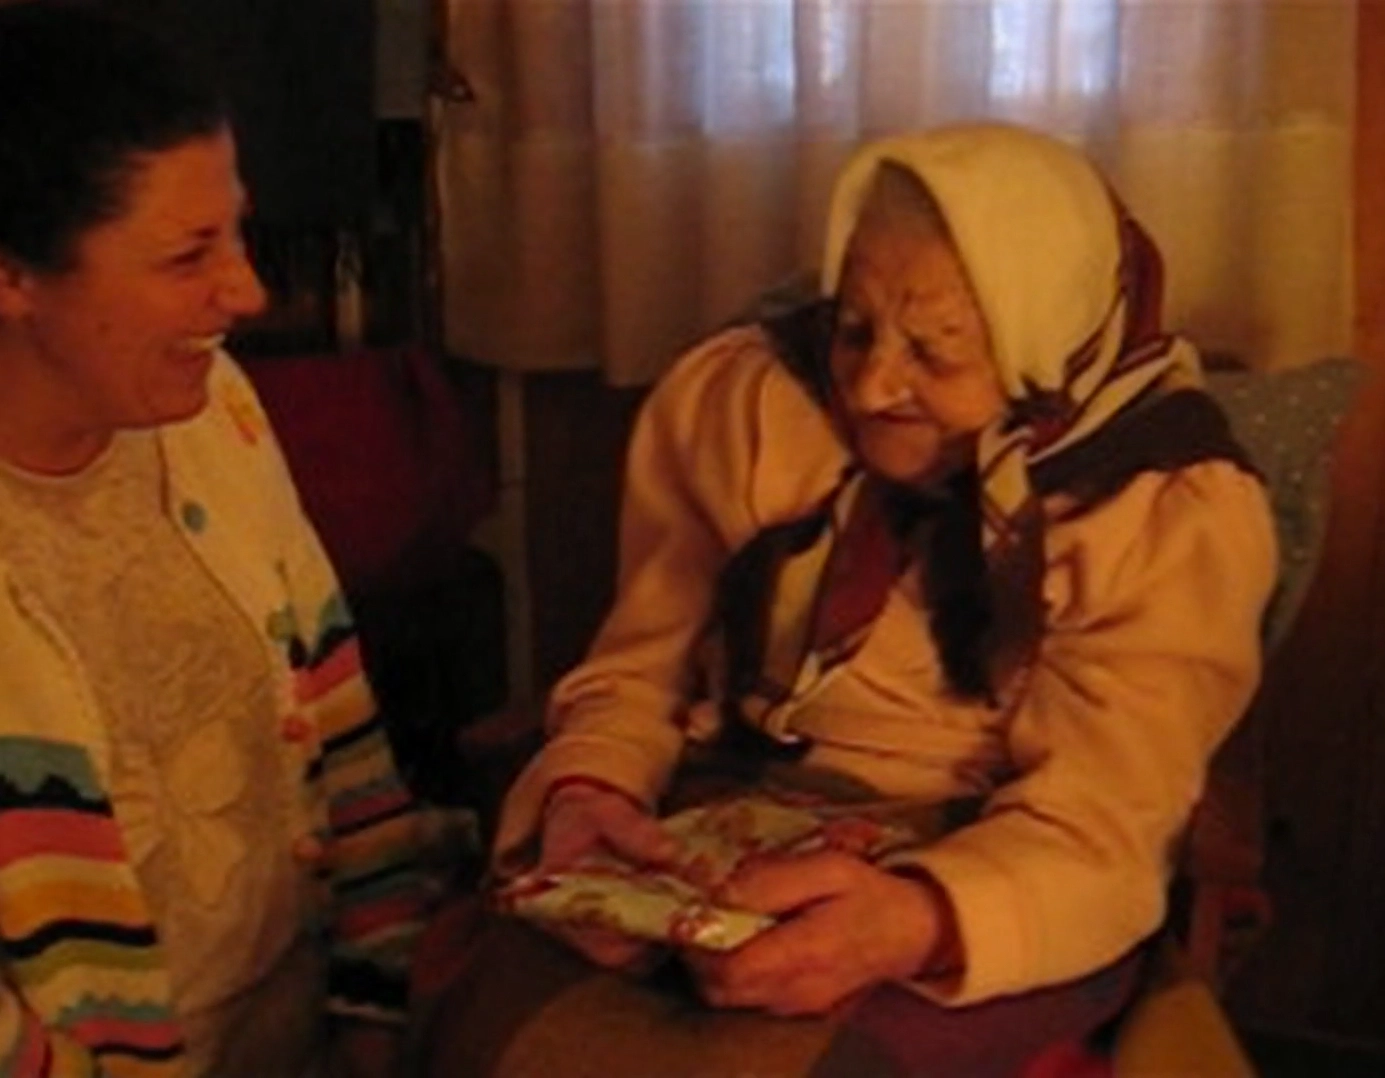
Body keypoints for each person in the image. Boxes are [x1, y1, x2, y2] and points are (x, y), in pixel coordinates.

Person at [490, 121, 1278, 1030]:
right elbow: (638, 672)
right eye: (853, 329)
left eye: (934, 350)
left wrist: (917, 922)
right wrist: (591, 787)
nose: (868, 388)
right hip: (711, 814)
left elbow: (1099, 824)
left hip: (988, 866)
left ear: (1046, 342)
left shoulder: (1161, 509)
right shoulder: (748, 406)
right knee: (502, 1020)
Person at [0, 4, 427, 1075]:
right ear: (13, 277)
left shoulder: (211, 413)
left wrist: (373, 1012)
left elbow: (341, 726)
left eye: (235, 231)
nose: (245, 290)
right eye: (189, 254)